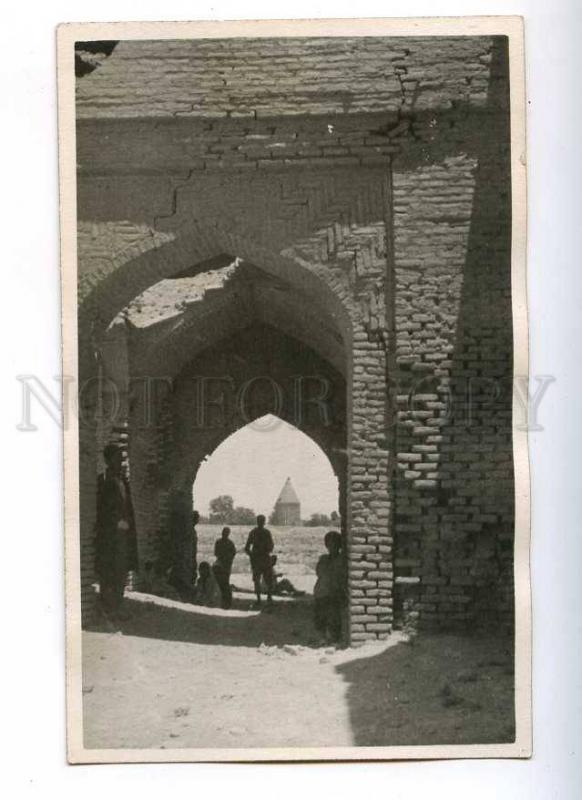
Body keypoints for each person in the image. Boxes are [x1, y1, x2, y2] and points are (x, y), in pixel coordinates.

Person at [95, 443, 138, 619]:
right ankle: (108, 609)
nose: (121, 462)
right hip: (110, 537)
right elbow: (100, 509)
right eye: (117, 458)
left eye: (122, 459)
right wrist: (115, 523)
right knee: (108, 572)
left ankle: (118, 607)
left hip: (124, 537)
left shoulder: (123, 482)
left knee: (121, 570)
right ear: (108, 460)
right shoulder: (102, 481)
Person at [313, 531, 346, 645]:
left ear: (339, 545)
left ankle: (333, 637)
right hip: (323, 592)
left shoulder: (341, 559)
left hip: (334, 592)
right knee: (321, 616)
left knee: (334, 616)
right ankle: (323, 637)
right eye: (330, 544)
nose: (332, 547)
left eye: (335, 544)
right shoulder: (324, 559)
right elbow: (319, 572)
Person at [245, 514, 274, 608]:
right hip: (263, 559)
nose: (261, 523)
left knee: (260, 580)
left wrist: (252, 555)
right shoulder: (266, 532)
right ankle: (266, 598)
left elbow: (247, 548)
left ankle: (260, 599)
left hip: (258, 559)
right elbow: (271, 546)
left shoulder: (254, 532)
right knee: (265, 580)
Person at [213, 527, 236, 609]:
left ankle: (225, 600)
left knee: (224, 583)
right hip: (224, 564)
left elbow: (216, 553)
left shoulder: (221, 542)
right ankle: (225, 600)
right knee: (223, 583)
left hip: (225, 565)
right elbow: (233, 553)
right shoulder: (229, 543)